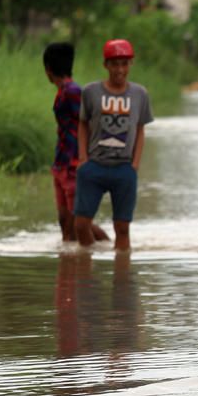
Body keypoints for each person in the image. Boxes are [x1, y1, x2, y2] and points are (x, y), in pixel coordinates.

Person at [75, 39, 154, 251]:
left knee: (122, 228)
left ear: (130, 65)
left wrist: (135, 164)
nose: (120, 69)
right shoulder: (91, 91)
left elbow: (140, 129)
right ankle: (87, 265)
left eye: (124, 64)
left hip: (124, 168)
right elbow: (82, 124)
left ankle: (122, 275)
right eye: (115, 64)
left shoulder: (140, 94)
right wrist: (83, 158)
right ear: (106, 65)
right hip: (94, 166)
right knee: (81, 225)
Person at [42, 42, 108, 243]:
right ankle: (69, 261)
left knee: (79, 223)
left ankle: (112, 249)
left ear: (48, 70)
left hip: (74, 165)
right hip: (61, 163)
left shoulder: (73, 91)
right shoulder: (63, 91)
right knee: (65, 220)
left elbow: (93, 123)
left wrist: (86, 160)